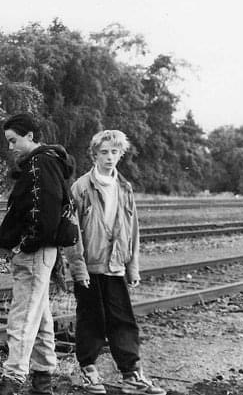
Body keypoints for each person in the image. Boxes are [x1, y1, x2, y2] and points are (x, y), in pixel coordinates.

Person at [66, 130, 166, 395]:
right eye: (104, 152)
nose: (109, 158)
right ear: (94, 154)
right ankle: (88, 371)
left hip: (115, 266)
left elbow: (132, 228)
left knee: (123, 320)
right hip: (90, 266)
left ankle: (131, 375)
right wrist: (78, 267)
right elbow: (71, 231)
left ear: (121, 154)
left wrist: (132, 266)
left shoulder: (125, 188)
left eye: (114, 152)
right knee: (91, 320)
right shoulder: (81, 187)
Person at [0, 113, 75, 395]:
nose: (11, 147)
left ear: (30, 136)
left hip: (36, 252)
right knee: (38, 316)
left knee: (22, 318)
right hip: (40, 252)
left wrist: (24, 245)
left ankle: (13, 379)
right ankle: (43, 379)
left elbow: (47, 213)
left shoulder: (41, 163)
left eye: (13, 140)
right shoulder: (43, 162)